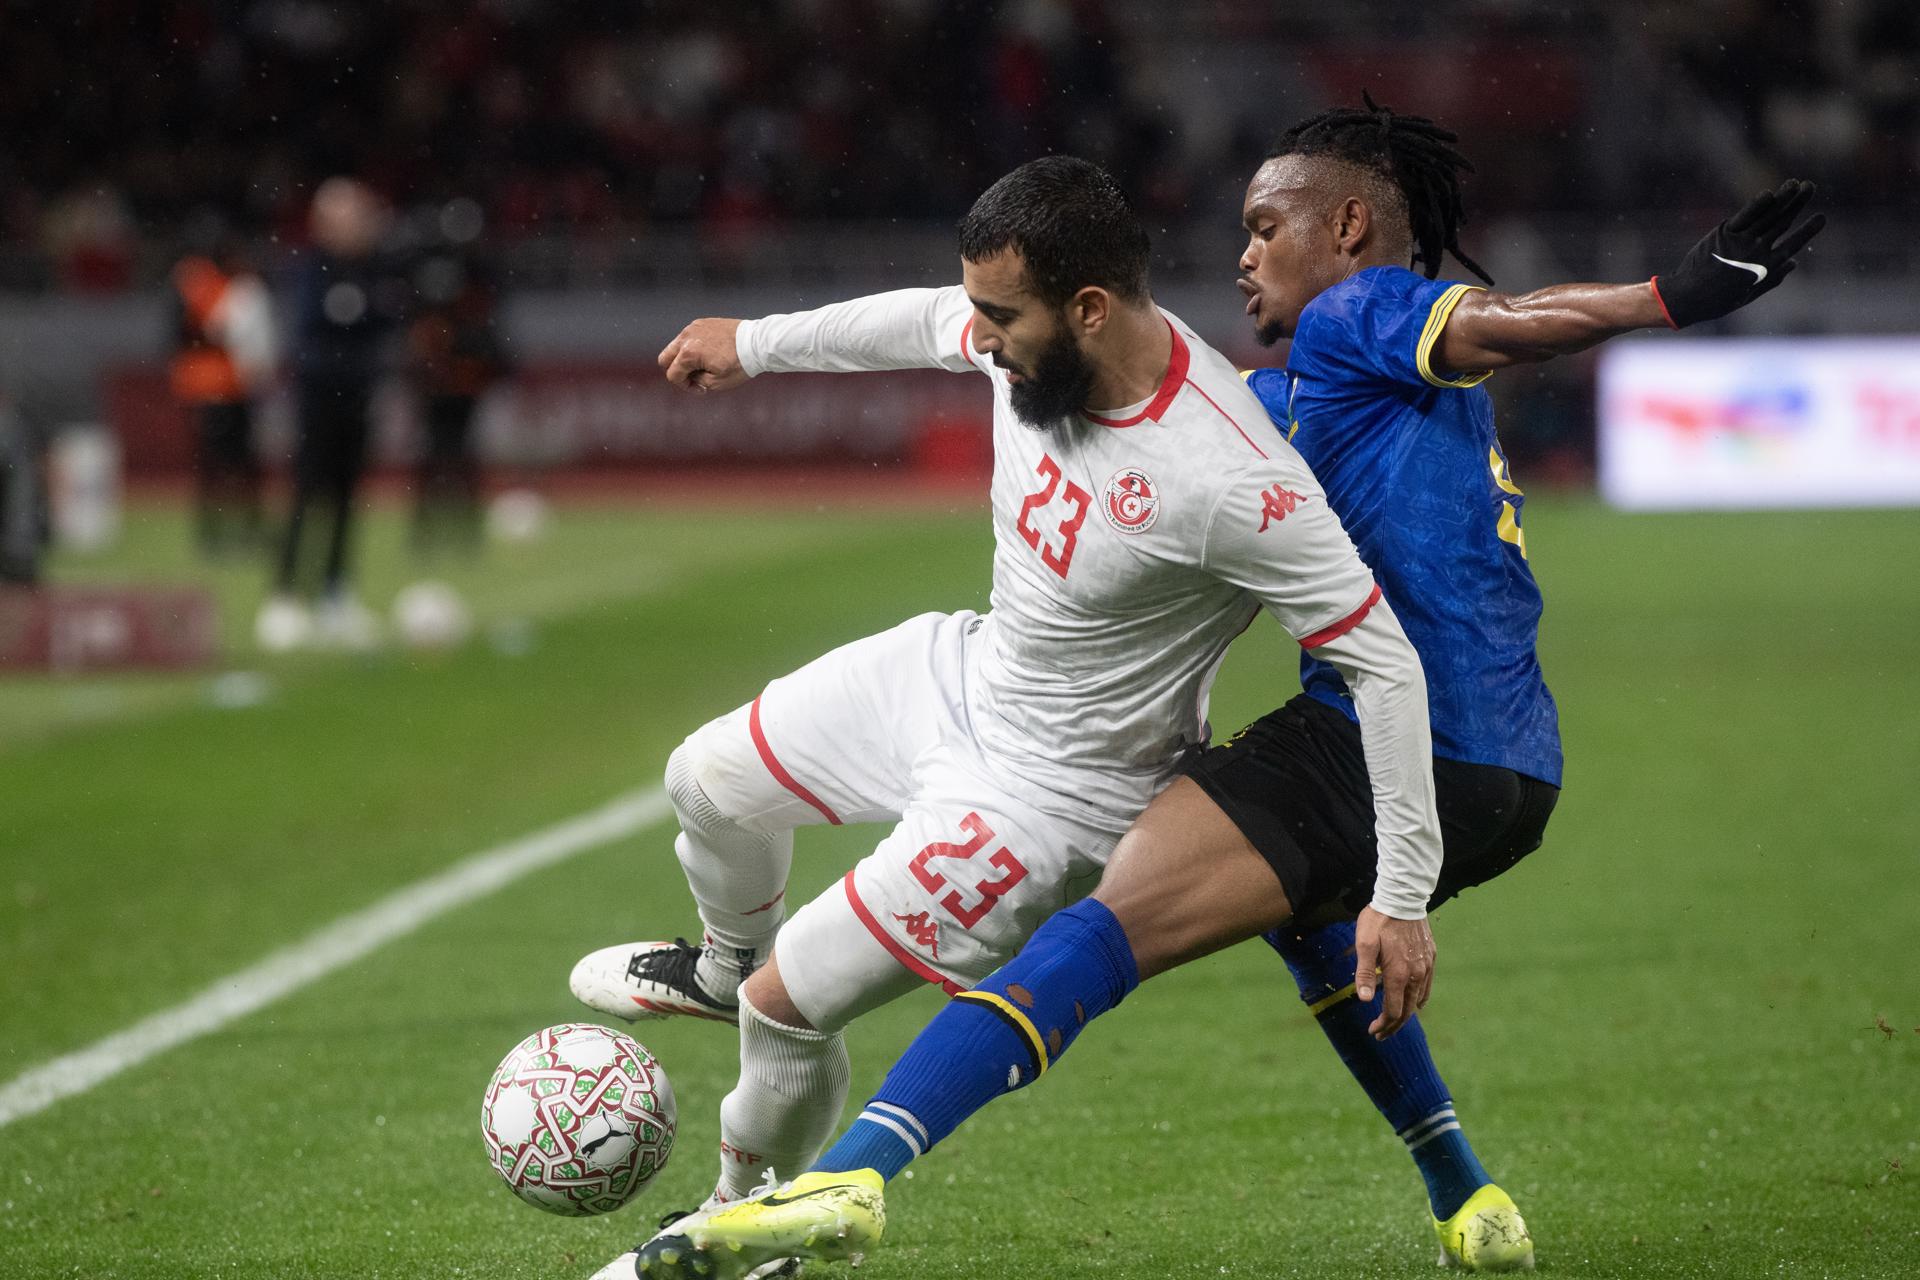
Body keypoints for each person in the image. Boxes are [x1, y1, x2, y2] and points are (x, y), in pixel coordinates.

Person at [656, 100, 1826, 1278]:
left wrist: (1667, 297)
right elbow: (1193, 416)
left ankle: (853, 1175)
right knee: (1302, 918)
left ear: (1348, 226)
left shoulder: (1363, 312)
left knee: (1106, 922)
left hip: (1400, 734)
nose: (1244, 256)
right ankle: (1465, 1191)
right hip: (1509, 758)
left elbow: (1494, 321)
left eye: (1268, 228)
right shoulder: (1307, 399)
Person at [571, 156, 1445, 1279]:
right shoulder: (1022, 337)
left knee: (786, 1006)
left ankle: (734, 1235)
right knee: (704, 782)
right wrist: (754, 342)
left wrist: (1402, 892)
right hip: (964, 672)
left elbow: (1384, 663)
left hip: (1051, 801)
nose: (978, 336)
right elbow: (920, 321)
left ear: (1090, 309)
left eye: (1000, 315)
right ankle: (718, 963)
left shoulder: (1232, 477)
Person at [255, 178, 403, 652]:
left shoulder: (377, 268)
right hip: (318, 400)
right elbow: (312, 330)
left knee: (346, 498)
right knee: (305, 495)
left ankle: (336, 595)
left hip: (358, 397)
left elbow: (387, 323)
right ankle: (284, 597)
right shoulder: (309, 268)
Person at [168, 235, 277, 557]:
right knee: (217, 464)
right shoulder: (202, 281)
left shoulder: (234, 288)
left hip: (233, 386)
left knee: (240, 462)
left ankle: (241, 528)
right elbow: (205, 330)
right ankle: (216, 532)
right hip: (210, 387)